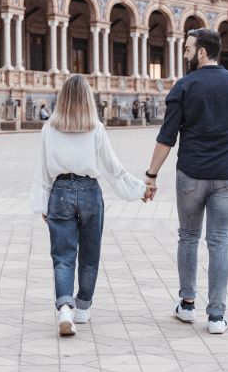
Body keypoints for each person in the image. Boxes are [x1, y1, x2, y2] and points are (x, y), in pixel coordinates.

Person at [143, 28, 228, 335]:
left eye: (187, 49)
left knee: (189, 237)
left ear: (202, 52)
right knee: (220, 241)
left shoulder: (184, 86)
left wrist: (152, 175)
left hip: (192, 174)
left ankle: (187, 304)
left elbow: (166, 137)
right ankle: (217, 315)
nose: (184, 55)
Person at [30, 75, 147, 336]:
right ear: (87, 99)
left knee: (62, 256)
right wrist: (140, 189)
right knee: (90, 253)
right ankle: (82, 307)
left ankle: (64, 308)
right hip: (90, 192)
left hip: (59, 192)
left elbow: (42, 171)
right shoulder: (95, 127)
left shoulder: (49, 128)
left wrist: (43, 204)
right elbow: (113, 169)